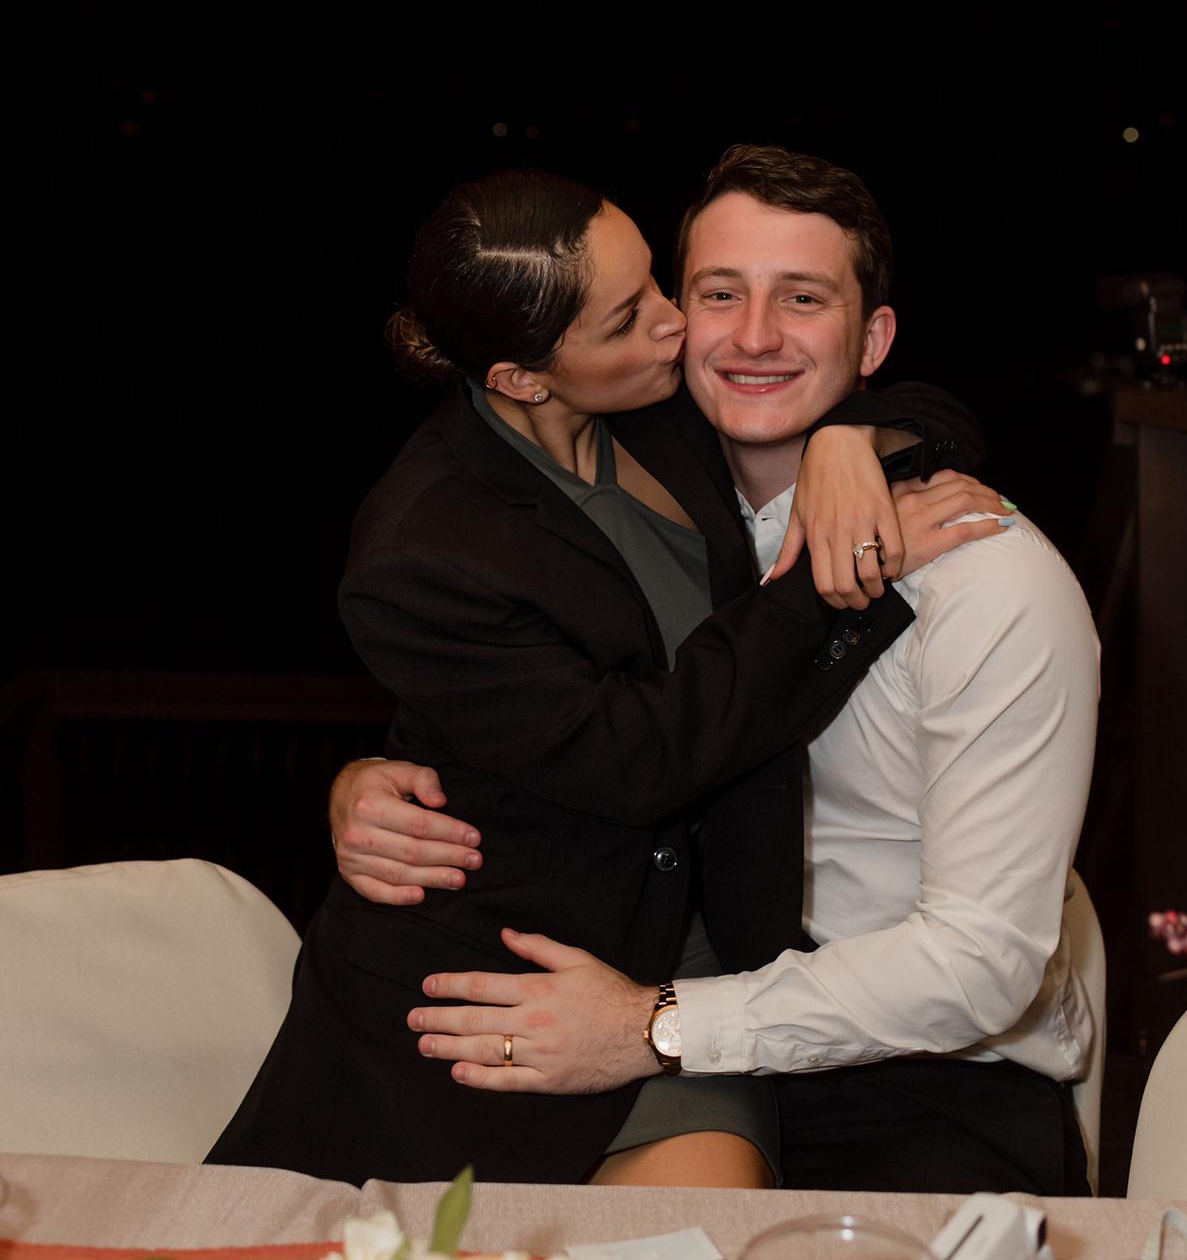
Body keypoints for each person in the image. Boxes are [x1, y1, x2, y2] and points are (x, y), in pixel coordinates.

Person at [209, 163, 1001, 1189]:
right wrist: (824, 581)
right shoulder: (419, 547)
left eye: (658, 283)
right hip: (482, 981)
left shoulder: (654, 406)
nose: (679, 323)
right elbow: (639, 760)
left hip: (690, 959)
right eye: (631, 317)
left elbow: (932, 404)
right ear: (522, 378)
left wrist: (851, 438)